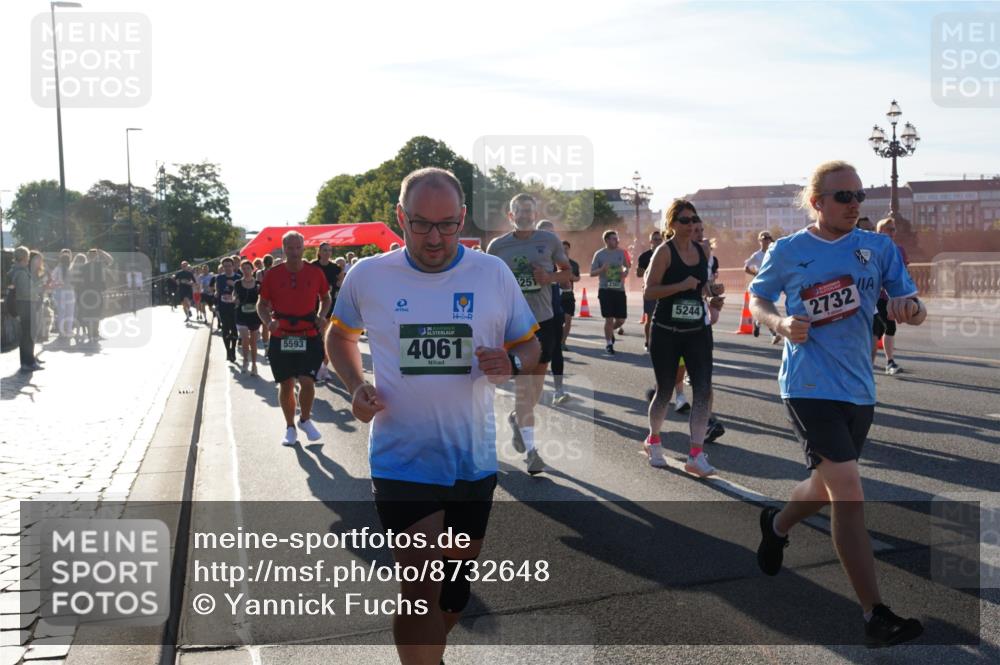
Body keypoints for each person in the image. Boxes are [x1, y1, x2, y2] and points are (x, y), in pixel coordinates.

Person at [326, 167, 541, 665]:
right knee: (419, 583)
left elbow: (530, 345)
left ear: (462, 218)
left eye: (446, 225)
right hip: (401, 457)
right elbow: (339, 336)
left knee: (453, 591)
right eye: (420, 224)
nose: (434, 237)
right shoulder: (369, 276)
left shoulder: (492, 274)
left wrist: (509, 362)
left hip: (472, 459)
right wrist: (357, 386)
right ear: (400, 218)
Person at [750, 160, 925, 647]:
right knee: (848, 490)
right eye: (842, 196)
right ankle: (875, 615)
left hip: (858, 388)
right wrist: (781, 324)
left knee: (826, 486)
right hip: (807, 385)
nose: (853, 204)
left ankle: (778, 523)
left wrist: (909, 310)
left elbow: (913, 306)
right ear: (817, 201)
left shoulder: (878, 247)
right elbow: (757, 300)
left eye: (858, 196)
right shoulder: (788, 251)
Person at [487, 193, 572, 474]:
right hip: (515, 327)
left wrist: (549, 278)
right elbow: (486, 285)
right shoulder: (497, 247)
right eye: (518, 211)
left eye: (528, 211)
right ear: (510, 216)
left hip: (545, 321)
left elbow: (568, 273)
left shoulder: (549, 241)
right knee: (525, 388)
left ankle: (516, 419)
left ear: (535, 214)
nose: (524, 215)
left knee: (535, 387)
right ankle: (532, 453)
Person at [641, 201, 716, 476]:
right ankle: (653, 440)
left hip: (697, 331)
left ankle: (696, 453)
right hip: (667, 332)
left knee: (703, 389)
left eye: (694, 218)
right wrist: (680, 286)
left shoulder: (702, 249)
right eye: (685, 220)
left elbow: (702, 287)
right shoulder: (664, 252)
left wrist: (712, 291)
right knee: (664, 390)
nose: (691, 224)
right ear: (672, 224)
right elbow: (649, 292)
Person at [257, 231, 331, 446]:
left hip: (308, 334)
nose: (295, 252)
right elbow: (262, 304)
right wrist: (267, 321)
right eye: (290, 248)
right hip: (282, 335)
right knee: (286, 384)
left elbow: (326, 297)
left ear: (303, 248)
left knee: (307, 382)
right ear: (284, 249)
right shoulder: (273, 274)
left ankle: (305, 419)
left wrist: (321, 316)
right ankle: (290, 427)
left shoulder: (315, 273)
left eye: (298, 247)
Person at [536, 220, 572, 405]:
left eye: (553, 233)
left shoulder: (557, 254)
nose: (550, 237)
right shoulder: (530, 253)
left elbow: (567, 280)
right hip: (531, 310)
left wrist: (555, 277)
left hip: (553, 306)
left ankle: (559, 390)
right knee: (534, 352)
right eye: (545, 233)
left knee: (556, 348)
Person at [872, 217, 910, 375]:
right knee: (887, 327)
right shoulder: (874, 250)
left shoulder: (899, 249)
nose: (893, 232)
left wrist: (906, 293)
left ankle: (871, 365)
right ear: (880, 231)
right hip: (877, 296)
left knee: (879, 330)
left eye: (894, 229)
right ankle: (889, 362)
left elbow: (903, 273)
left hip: (893, 296)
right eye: (890, 229)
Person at [590, 230, 630, 354]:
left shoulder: (622, 252)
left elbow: (628, 266)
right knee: (609, 319)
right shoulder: (599, 254)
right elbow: (592, 273)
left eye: (617, 238)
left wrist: (625, 272)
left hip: (619, 289)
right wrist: (602, 269)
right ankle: (609, 344)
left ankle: (609, 331)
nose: (617, 240)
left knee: (621, 319)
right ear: (606, 240)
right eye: (614, 238)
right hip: (605, 290)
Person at [311, 242, 344, 383]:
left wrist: (342, 276)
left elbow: (339, 286)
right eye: (324, 250)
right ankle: (316, 366)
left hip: (331, 306)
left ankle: (323, 367)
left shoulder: (335, 268)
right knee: (317, 338)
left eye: (329, 250)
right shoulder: (312, 266)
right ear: (319, 251)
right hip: (313, 306)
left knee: (328, 339)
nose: (327, 253)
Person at [744, 231, 781, 344]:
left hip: (771, 284)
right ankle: (774, 334)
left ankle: (757, 323)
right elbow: (746, 267)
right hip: (760, 286)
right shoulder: (757, 255)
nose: (766, 240)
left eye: (769, 238)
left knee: (764, 310)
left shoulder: (773, 253)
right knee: (767, 309)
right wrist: (755, 274)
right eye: (764, 238)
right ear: (760, 241)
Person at [11, 247, 42, 372]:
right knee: (28, 336)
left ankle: (27, 362)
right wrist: (37, 292)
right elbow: (25, 292)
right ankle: (28, 362)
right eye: (28, 257)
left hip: (22, 305)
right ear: (24, 257)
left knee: (26, 335)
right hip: (26, 305)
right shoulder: (22, 272)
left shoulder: (16, 270)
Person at [636, 230, 663, 351]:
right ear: (650, 241)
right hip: (650, 290)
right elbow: (638, 273)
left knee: (664, 318)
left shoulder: (666, 253)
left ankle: (662, 342)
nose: (657, 241)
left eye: (659, 239)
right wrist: (650, 268)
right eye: (655, 239)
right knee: (650, 317)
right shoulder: (644, 256)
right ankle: (648, 341)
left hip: (664, 290)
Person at [79, 248, 113, 344]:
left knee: (90, 313)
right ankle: (94, 334)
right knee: (96, 313)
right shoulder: (99, 265)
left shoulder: (83, 267)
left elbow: (80, 282)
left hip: (86, 293)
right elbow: (110, 260)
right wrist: (102, 252)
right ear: (96, 256)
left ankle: (91, 334)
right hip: (97, 292)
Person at [234, 260, 262, 375]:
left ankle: (254, 365)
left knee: (253, 342)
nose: (246, 270)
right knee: (245, 339)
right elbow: (234, 295)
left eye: (248, 268)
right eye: (243, 268)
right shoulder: (237, 283)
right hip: (241, 314)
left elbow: (263, 298)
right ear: (241, 270)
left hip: (254, 315)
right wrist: (234, 300)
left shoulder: (258, 284)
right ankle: (245, 361)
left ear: (252, 269)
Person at [215, 258, 241, 363]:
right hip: (223, 307)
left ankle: (233, 349)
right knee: (225, 329)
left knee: (234, 329)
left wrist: (234, 285)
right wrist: (216, 297)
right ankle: (228, 351)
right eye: (225, 266)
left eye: (229, 266)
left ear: (233, 266)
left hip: (234, 307)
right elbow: (217, 291)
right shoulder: (219, 278)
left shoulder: (238, 277)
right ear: (222, 267)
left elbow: (241, 292)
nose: (227, 268)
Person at [557, 240, 581, 352]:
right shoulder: (554, 262)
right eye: (562, 248)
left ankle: (562, 342)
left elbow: (577, 278)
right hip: (556, 295)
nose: (565, 250)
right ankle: (556, 340)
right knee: (558, 321)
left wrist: (570, 276)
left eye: (567, 248)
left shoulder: (574, 264)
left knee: (568, 319)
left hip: (568, 295)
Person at [48, 250, 76, 341]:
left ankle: (61, 332)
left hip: (60, 292)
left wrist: (56, 285)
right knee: (70, 313)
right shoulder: (72, 269)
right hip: (70, 292)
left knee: (61, 313)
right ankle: (68, 331)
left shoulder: (57, 269)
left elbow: (51, 280)